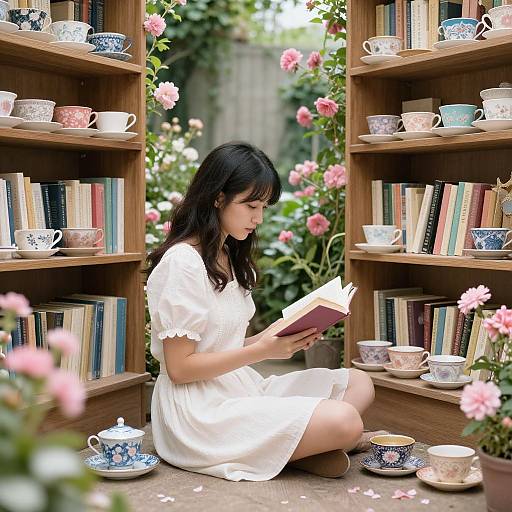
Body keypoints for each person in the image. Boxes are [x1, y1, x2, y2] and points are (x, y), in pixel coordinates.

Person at [145, 141, 379, 482]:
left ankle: (289, 450)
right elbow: (180, 369)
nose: (259, 218)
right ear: (217, 198)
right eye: (251, 205)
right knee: (345, 421)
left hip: (237, 388)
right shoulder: (182, 263)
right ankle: (303, 448)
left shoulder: (227, 254)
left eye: (264, 206)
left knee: (360, 383)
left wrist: (276, 336)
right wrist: (261, 350)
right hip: (198, 411)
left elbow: (222, 345)